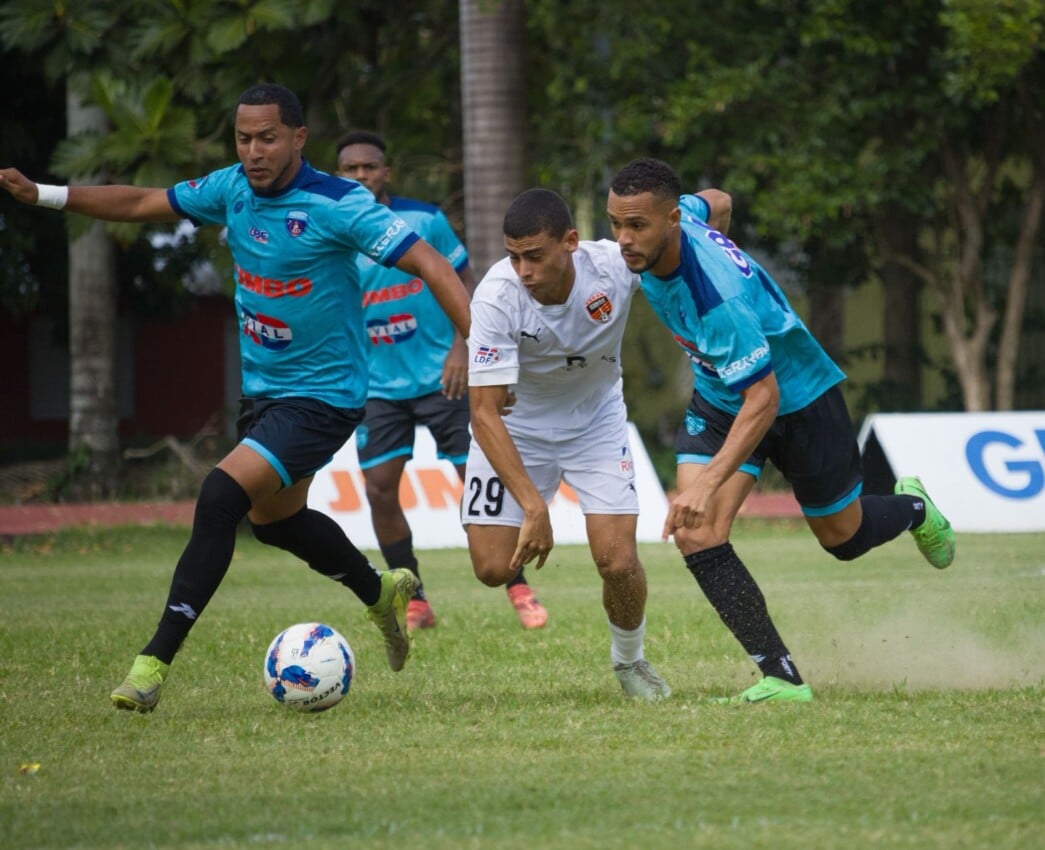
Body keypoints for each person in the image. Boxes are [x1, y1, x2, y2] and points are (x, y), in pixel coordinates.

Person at [0, 83, 473, 713]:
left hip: (325, 397)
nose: (254, 150)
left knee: (219, 496)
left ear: (299, 138)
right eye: (244, 138)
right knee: (275, 524)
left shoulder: (339, 203)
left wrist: (475, 347)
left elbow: (435, 266)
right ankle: (379, 590)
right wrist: (46, 195)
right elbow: (144, 201)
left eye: (268, 138)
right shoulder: (231, 190)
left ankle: (152, 664)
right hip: (266, 396)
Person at [606, 157, 956, 703]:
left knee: (844, 539)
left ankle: (914, 508)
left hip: (798, 398)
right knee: (697, 532)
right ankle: (781, 676)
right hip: (724, 396)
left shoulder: (714, 297)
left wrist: (702, 485)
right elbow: (718, 198)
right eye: (616, 225)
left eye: (637, 227)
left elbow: (764, 400)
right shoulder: (686, 220)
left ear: (670, 220)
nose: (624, 240)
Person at [334, 131, 547, 631]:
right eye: (351, 169)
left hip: (442, 378)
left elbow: (465, 283)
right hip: (378, 388)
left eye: (370, 166)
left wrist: (461, 348)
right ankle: (414, 597)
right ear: (338, 176)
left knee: (475, 480)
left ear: (386, 173)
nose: (361, 175)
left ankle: (517, 585)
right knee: (380, 489)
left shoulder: (423, 220)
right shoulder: (334, 231)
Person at [464, 187, 670, 701]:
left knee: (618, 562)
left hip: (596, 424)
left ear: (571, 242)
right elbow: (484, 414)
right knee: (492, 569)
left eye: (535, 256)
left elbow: (706, 207)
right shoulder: (495, 296)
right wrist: (534, 507)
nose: (524, 270)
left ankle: (630, 661)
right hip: (519, 432)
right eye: (514, 257)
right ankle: (521, 516)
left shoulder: (615, 268)